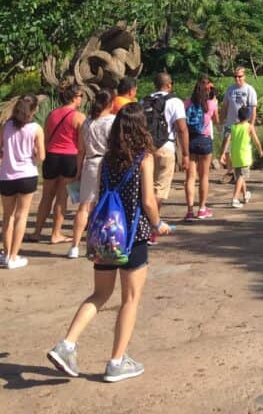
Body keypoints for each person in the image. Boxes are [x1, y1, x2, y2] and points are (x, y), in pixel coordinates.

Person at [47, 104, 171, 382]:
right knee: (130, 299)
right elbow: (148, 201)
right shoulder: (143, 158)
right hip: (131, 237)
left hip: (104, 234)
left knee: (99, 294)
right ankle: (117, 361)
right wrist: (158, 224)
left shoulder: (105, 161)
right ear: (142, 127)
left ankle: (66, 345)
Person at [30, 85, 86, 243]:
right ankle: (56, 233)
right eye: (80, 95)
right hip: (69, 157)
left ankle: (37, 232)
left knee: (46, 196)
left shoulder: (52, 114)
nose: (81, 98)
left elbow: (46, 138)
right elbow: (81, 146)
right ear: (74, 97)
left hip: (52, 156)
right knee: (62, 197)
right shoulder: (79, 117)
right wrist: (80, 167)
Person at [68, 89, 116, 259]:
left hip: (90, 163)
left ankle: (74, 246)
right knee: (105, 205)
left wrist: (78, 171)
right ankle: (98, 242)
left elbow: (80, 150)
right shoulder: (112, 121)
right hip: (107, 163)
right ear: (110, 103)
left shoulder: (87, 122)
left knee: (84, 206)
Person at [1, 94, 45, 269]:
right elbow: (41, 156)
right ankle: (13, 256)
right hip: (27, 174)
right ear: (33, 111)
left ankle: (6, 254)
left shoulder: (5, 126)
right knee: (22, 216)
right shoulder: (36, 129)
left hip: (6, 175)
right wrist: (33, 151)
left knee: (7, 216)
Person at [143, 72, 189, 233]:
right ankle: (151, 225)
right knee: (159, 189)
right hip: (165, 147)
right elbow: (182, 128)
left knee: (146, 187)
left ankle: (148, 224)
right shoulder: (175, 101)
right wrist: (185, 154)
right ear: (169, 85)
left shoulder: (145, 100)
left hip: (146, 148)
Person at [183, 76, 219, 220]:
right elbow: (216, 121)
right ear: (209, 89)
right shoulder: (211, 104)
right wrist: (214, 98)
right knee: (204, 176)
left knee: (190, 178)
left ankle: (190, 211)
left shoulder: (187, 102)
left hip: (190, 140)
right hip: (204, 140)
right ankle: (202, 209)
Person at [222, 106, 263, 207]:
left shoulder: (233, 127)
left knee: (240, 176)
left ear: (238, 116)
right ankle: (234, 199)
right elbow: (256, 140)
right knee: (241, 177)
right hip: (245, 157)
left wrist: (223, 153)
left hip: (235, 156)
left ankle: (245, 195)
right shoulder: (249, 127)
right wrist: (260, 150)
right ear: (248, 117)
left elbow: (227, 140)